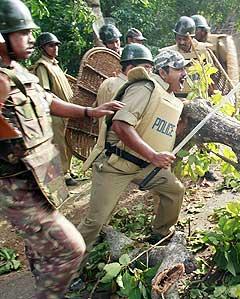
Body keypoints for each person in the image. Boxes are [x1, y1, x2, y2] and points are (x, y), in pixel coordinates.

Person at [0, 1, 124, 298]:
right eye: (22, 33)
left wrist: (88, 112)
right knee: (71, 248)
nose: (31, 39)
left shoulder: (18, 71)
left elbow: (48, 101)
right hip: (13, 185)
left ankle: (48, 282)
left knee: (40, 244)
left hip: (38, 177)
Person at [78, 50, 189, 251]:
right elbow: (121, 126)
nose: (184, 73)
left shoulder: (170, 98)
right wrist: (153, 156)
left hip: (144, 165)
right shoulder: (145, 88)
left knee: (175, 191)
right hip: (116, 164)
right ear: (163, 72)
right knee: (95, 222)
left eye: (185, 68)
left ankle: (159, 235)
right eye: (179, 69)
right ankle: (68, 269)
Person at [31, 32, 77, 186]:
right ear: (43, 48)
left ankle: (68, 170)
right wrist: (63, 107)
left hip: (67, 112)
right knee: (59, 144)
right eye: (51, 45)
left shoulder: (55, 64)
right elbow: (46, 92)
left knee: (68, 143)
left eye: (56, 45)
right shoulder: (42, 66)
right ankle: (62, 175)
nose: (55, 48)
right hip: (55, 113)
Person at [94, 43, 153, 130]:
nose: (150, 72)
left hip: (100, 140)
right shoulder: (134, 89)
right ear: (131, 68)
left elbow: (95, 113)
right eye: (146, 67)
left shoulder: (106, 82)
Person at [159, 16, 215, 97]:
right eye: (179, 39)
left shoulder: (203, 51)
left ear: (192, 37)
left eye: (185, 39)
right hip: (174, 96)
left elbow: (211, 73)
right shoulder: (167, 53)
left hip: (198, 96)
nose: (181, 42)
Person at [191, 14, 239, 84]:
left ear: (204, 31)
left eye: (196, 30)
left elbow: (224, 66)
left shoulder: (215, 45)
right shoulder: (186, 46)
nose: (193, 33)